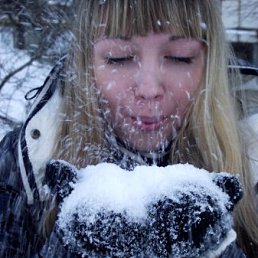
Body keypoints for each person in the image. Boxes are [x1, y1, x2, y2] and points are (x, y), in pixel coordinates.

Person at [0, 0, 258, 257]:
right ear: (86, 64)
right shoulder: (24, 165)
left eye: (180, 57)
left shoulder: (253, 161)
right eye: (118, 58)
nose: (149, 90)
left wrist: (219, 249)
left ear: (209, 65)